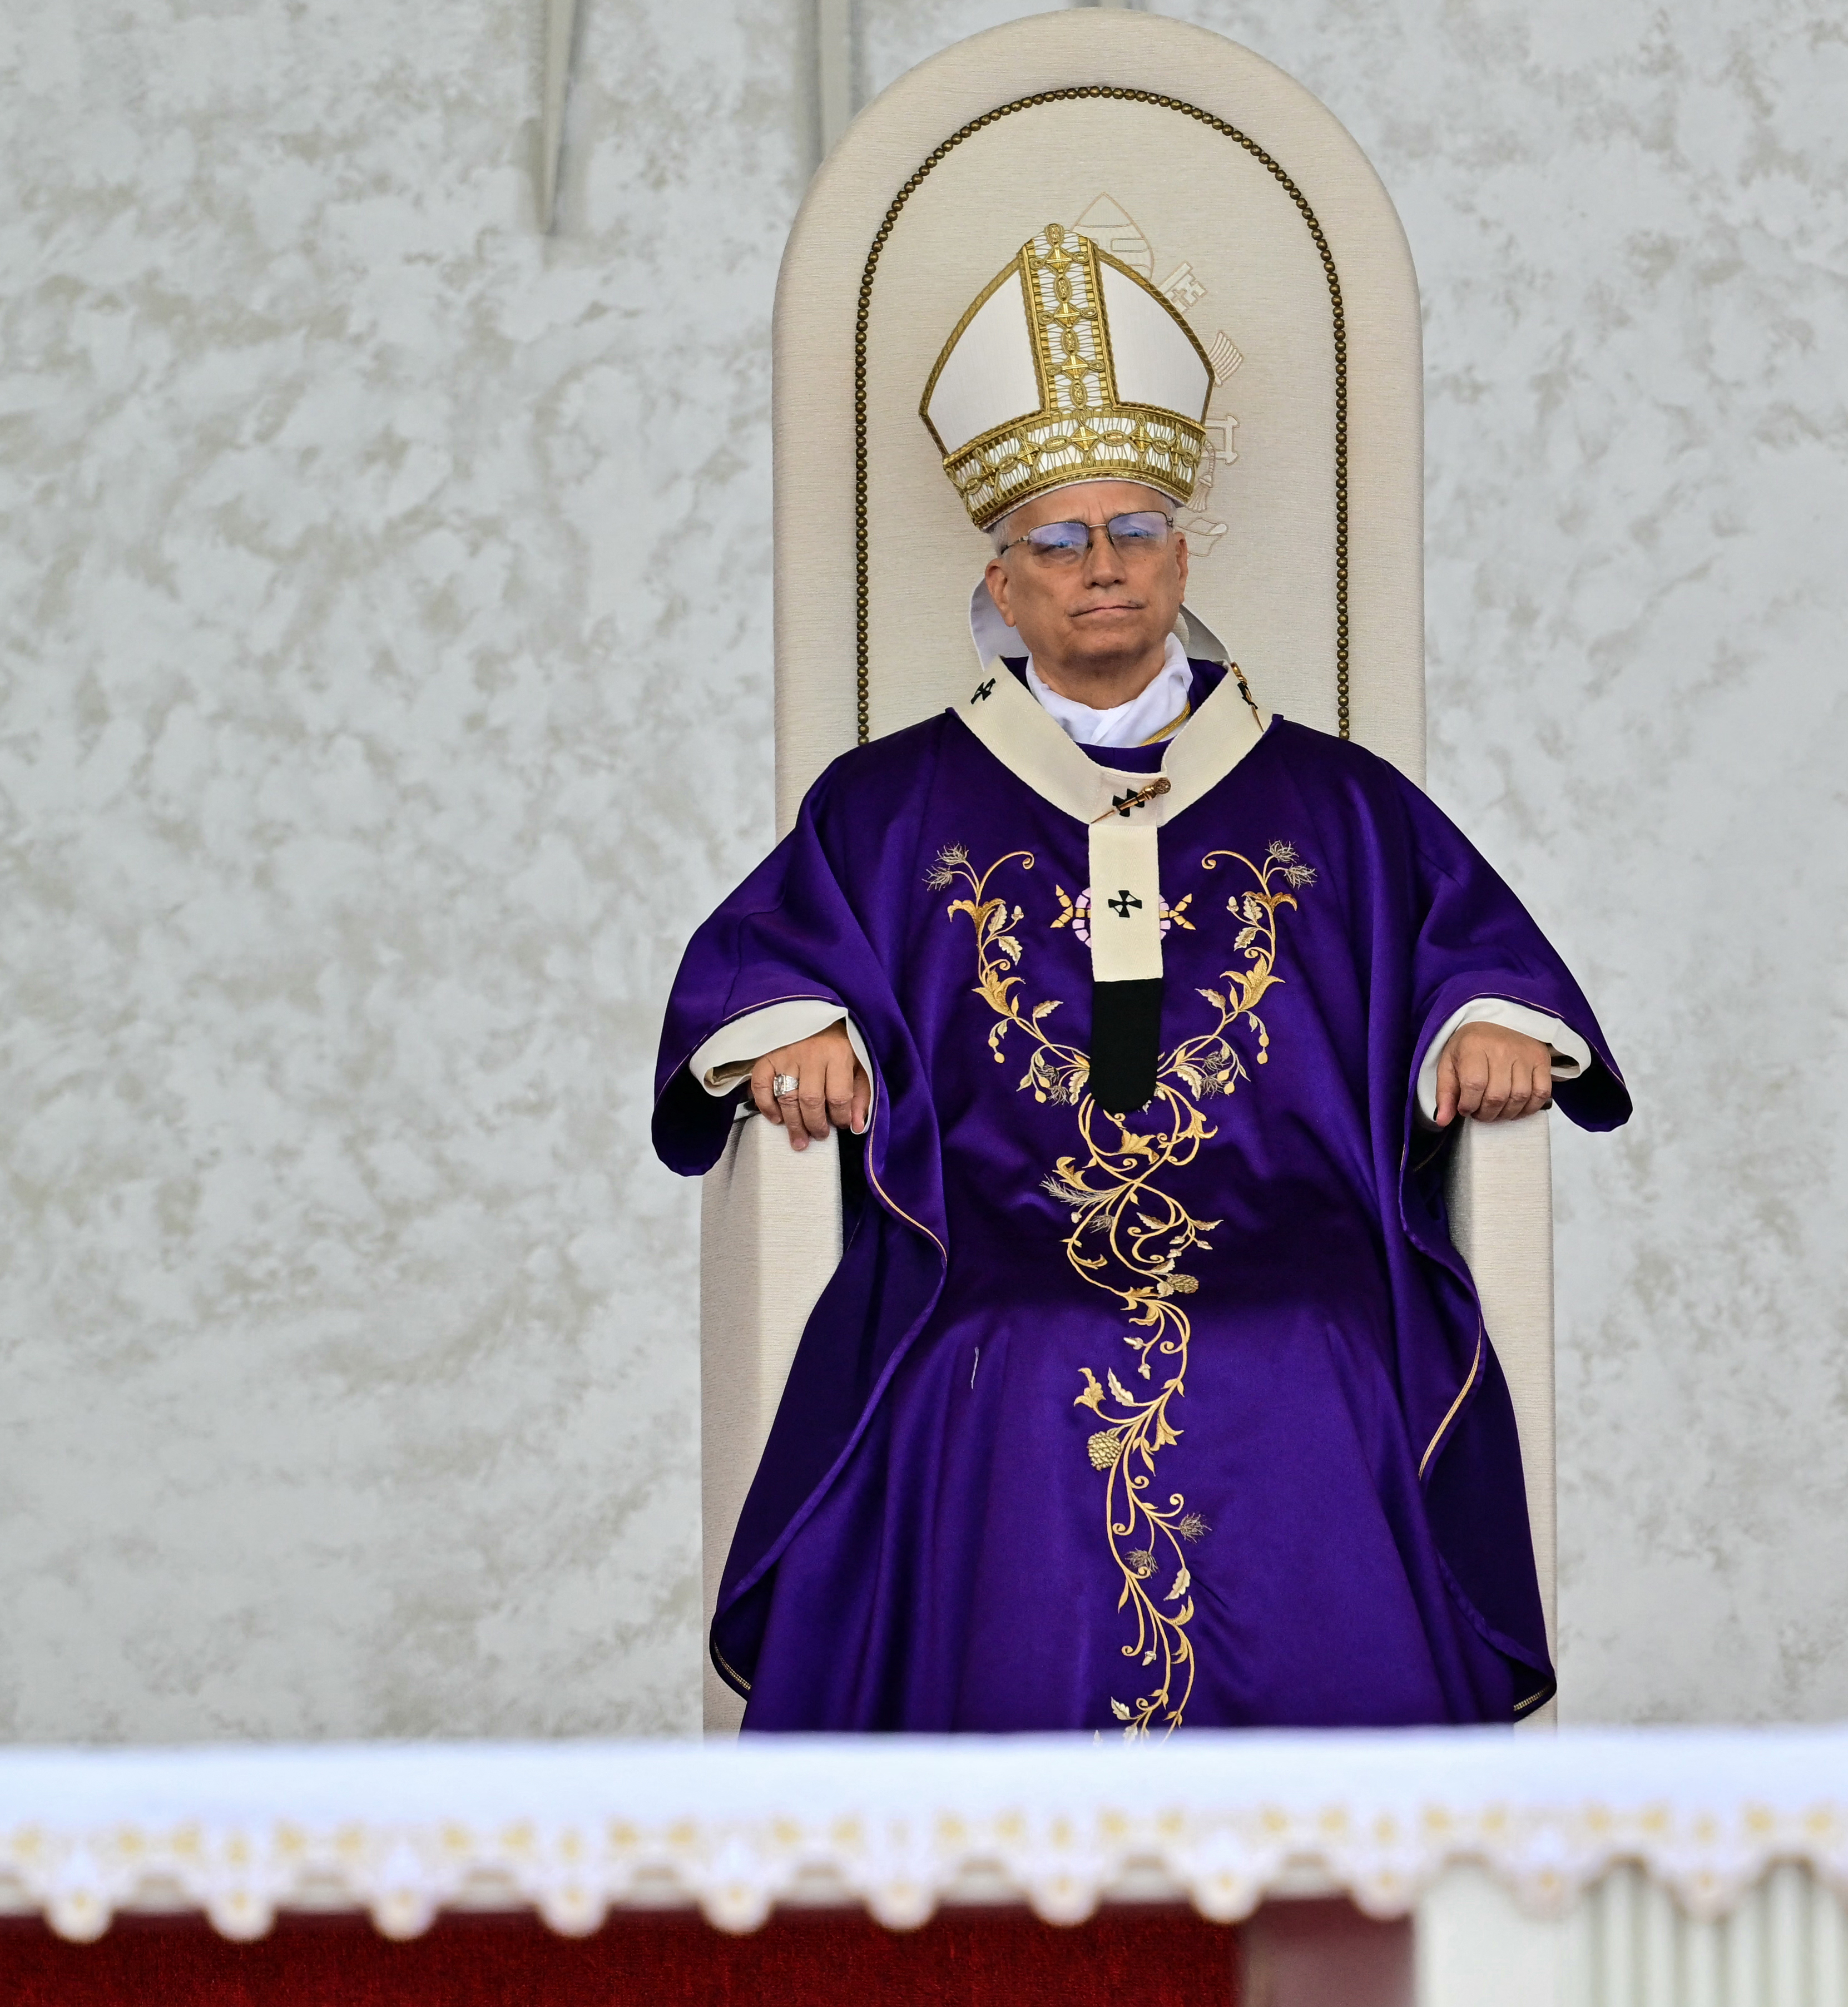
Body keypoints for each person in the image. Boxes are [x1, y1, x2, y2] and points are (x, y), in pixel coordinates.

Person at [653, 224, 1627, 1733]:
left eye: (1134, 529)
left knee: (1316, 1338)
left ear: (1179, 554)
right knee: (995, 1345)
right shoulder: (892, 800)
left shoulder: (1338, 800)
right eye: (1057, 538)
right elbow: (773, 949)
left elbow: (1468, 940)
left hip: (1284, 1217)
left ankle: (1336, 1847)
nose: (1099, 566)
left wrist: (1488, 1014)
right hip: (992, 1231)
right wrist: (796, 1024)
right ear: (1002, 575)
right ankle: (992, 1858)